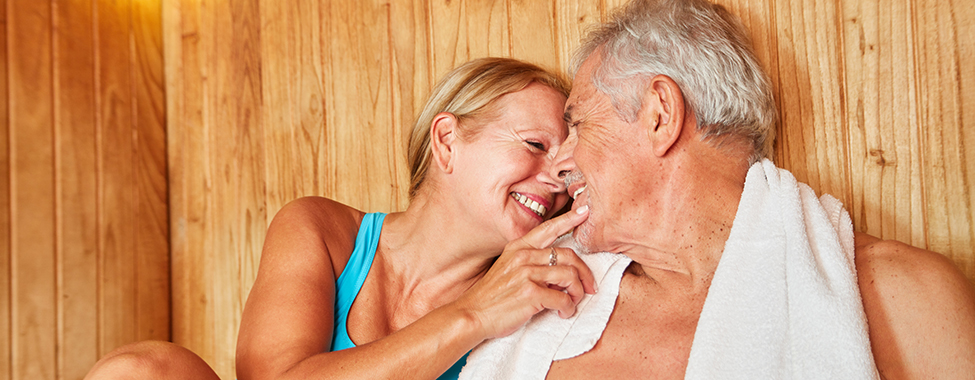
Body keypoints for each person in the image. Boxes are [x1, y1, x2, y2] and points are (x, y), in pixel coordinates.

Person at [463, 0, 975, 379]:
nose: (560, 164)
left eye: (577, 126)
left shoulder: (907, 299)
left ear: (660, 115)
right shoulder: (538, 306)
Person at [84, 57, 597, 380]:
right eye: (535, 145)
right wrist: (473, 316)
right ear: (447, 141)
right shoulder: (322, 231)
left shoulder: (528, 297)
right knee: (141, 370)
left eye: (566, 164)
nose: (556, 178)